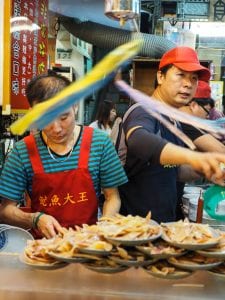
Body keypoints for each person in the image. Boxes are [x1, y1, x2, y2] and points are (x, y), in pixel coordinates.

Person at [0, 73, 128, 239]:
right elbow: (5, 210)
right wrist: (35, 219)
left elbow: (113, 197)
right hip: (44, 248)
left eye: (64, 117)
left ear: (75, 105)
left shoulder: (100, 142)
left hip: (88, 244)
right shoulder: (22, 151)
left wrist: (103, 231)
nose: (57, 128)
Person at [118, 46, 225, 223]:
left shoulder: (174, 121)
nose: (188, 84)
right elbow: (139, 140)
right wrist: (192, 156)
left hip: (164, 224)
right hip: (135, 227)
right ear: (160, 77)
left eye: (194, 78)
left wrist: (205, 170)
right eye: (180, 75)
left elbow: (173, 171)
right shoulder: (142, 111)